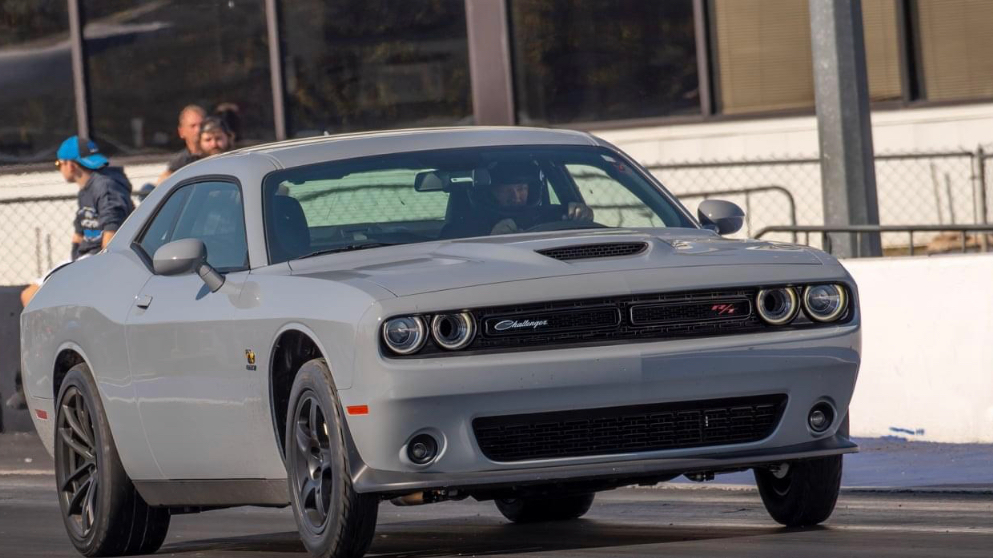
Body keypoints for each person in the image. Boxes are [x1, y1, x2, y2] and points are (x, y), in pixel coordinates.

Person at [12, 136, 135, 411]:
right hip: (84, 255)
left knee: (32, 296)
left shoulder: (105, 185)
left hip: (100, 259)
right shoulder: (86, 188)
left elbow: (112, 231)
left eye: (58, 163)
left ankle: (36, 373)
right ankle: (41, 364)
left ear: (71, 164)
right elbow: (79, 231)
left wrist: (102, 274)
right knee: (29, 295)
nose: (59, 168)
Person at [445, 160, 593, 237]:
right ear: (490, 192)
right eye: (506, 190)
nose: (515, 196)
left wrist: (583, 216)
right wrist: (490, 241)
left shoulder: (553, 216)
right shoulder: (463, 229)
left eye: (522, 189)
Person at [155, 104, 206, 185]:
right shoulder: (179, 164)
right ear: (181, 132)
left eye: (202, 125)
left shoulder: (218, 155)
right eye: (193, 126)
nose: (198, 130)